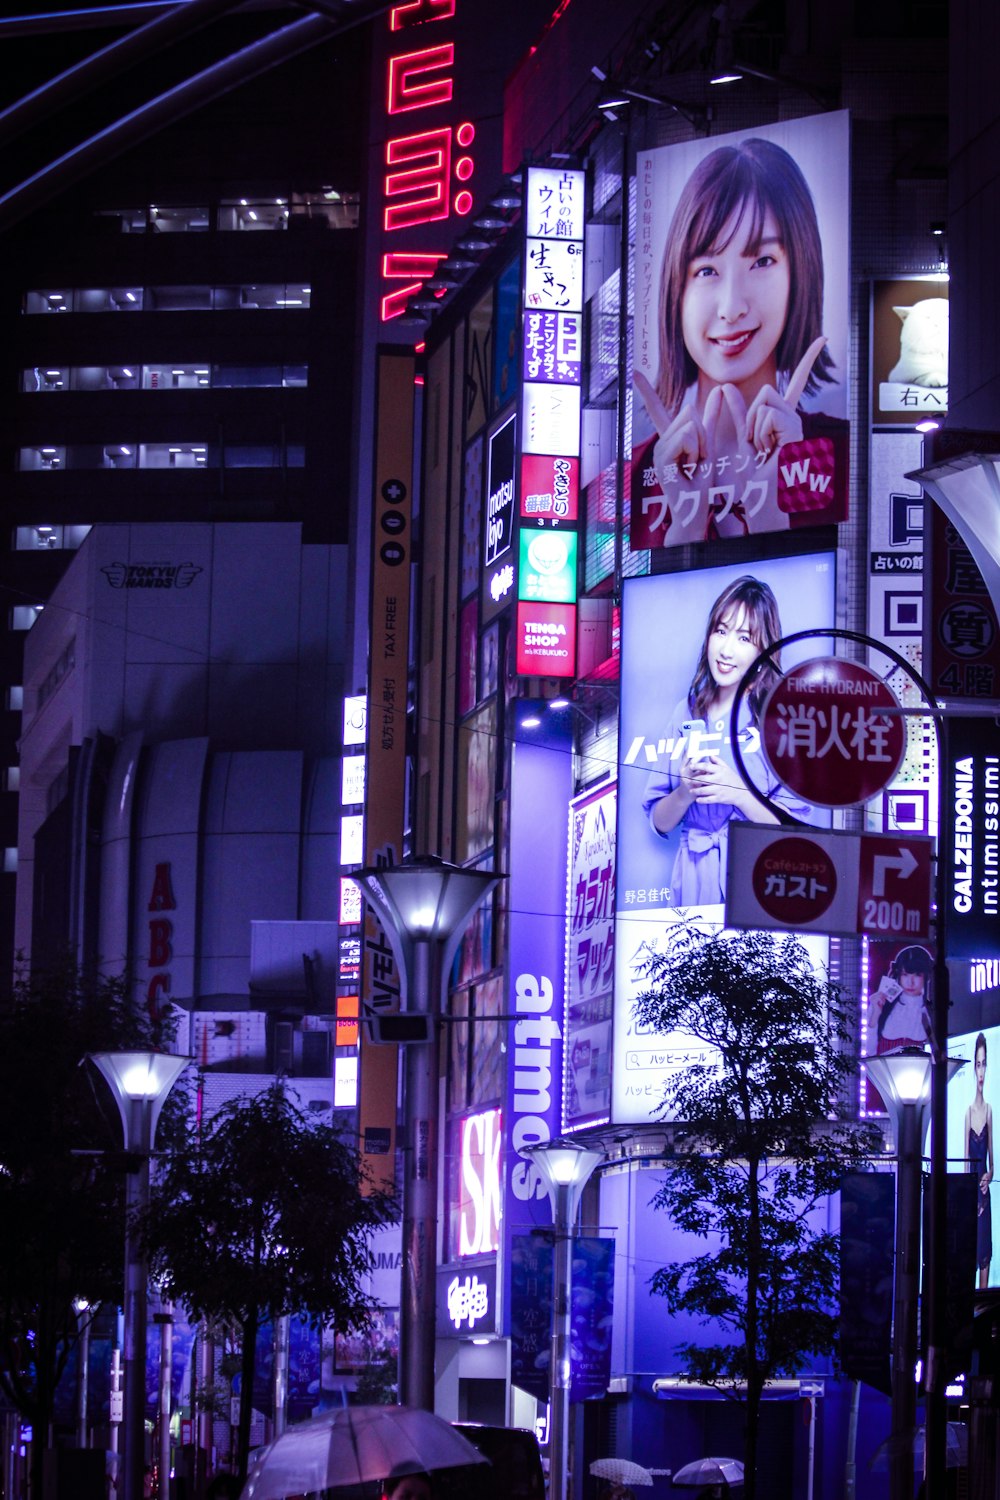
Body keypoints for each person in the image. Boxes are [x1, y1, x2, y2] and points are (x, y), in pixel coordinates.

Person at [633, 136, 844, 544]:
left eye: (762, 261)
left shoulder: (830, 450)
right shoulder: (642, 470)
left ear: (800, 272)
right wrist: (687, 525)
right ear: (677, 288)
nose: (731, 307)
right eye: (707, 270)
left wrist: (771, 510)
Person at [641, 574, 807, 905]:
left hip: (759, 880)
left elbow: (796, 829)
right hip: (692, 883)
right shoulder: (686, 712)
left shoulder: (779, 718)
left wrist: (739, 794)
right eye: (720, 631)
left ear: (765, 649)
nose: (726, 650)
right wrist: (685, 793)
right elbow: (658, 822)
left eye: (745, 638)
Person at [864, 944, 934, 1055]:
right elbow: (869, 1052)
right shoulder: (883, 1005)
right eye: (905, 974)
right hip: (882, 1071)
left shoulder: (930, 1012)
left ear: (926, 976)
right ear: (898, 975)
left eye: (917, 975)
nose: (910, 982)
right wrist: (875, 1014)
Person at [966, 1032, 994, 1289]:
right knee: (968, 1251)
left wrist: (989, 1176)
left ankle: (984, 1315)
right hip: (970, 1192)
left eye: (984, 1063)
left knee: (984, 1252)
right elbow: (965, 1161)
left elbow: (993, 1162)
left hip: (984, 1190)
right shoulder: (968, 1112)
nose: (981, 1069)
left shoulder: (988, 1110)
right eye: (977, 1063)